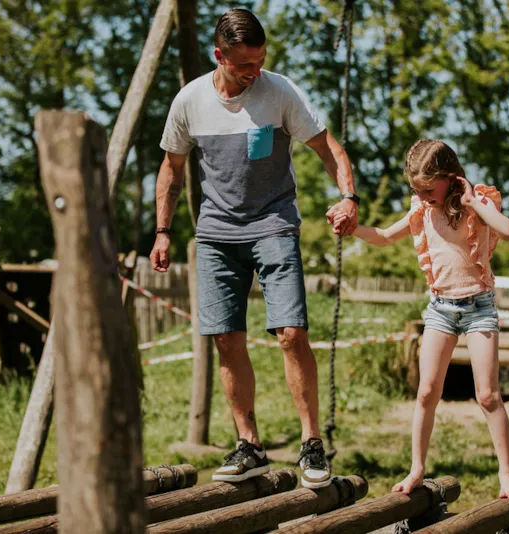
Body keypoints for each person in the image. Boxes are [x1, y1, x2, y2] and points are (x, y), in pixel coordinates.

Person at [150, 8, 359, 489]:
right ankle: (250, 444)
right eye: (244, 64)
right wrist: (162, 231)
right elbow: (171, 169)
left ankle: (311, 445)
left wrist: (348, 198)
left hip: (273, 223)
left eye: (261, 60)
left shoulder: (280, 91)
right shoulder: (190, 101)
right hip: (217, 233)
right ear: (219, 55)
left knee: (290, 332)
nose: (255, 71)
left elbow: (329, 148)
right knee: (226, 338)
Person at [328, 139, 509, 499]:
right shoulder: (422, 210)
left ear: (451, 178)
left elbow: (508, 230)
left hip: (478, 306)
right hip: (440, 309)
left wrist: (472, 201)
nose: (423, 195)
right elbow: (385, 236)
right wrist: (353, 229)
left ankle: (506, 474)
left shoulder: (476, 205)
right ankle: (417, 468)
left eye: (429, 189)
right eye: (417, 189)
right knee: (427, 391)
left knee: (488, 394)